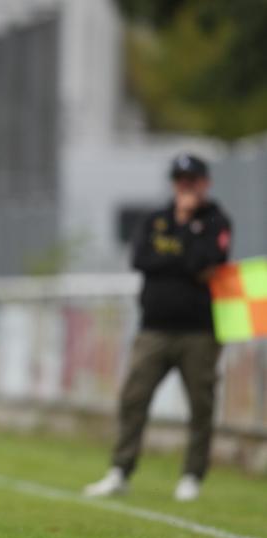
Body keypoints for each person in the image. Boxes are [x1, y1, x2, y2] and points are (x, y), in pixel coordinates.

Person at [84, 154, 231, 502]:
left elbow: (208, 263)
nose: (186, 186)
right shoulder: (155, 219)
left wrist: (179, 245)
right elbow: (141, 259)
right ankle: (120, 470)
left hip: (201, 331)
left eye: (193, 179)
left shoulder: (216, 220)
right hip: (154, 329)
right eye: (181, 180)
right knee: (134, 397)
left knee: (201, 404)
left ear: (205, 183)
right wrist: (183, 243)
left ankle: (192, 476)